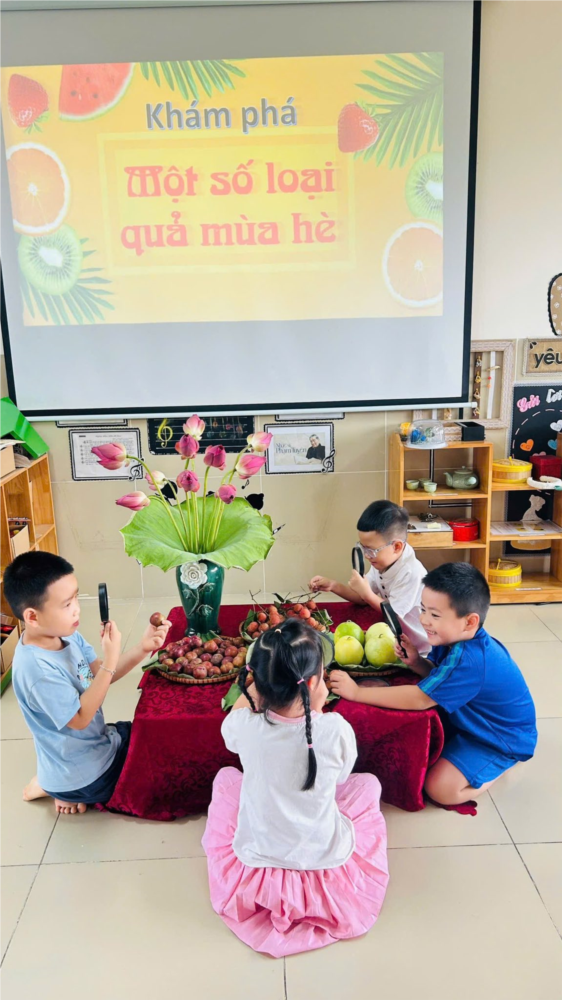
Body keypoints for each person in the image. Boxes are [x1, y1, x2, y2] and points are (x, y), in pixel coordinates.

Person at [202, 618, 388, 957]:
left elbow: (232, 727)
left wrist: (257, 689)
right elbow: (341, 778)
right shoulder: (335, 729)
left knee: (227, 779)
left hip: (259, 853)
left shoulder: (245, 725)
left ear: (257, 682)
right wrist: (314, 709)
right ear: (314, 681)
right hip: (323, 857)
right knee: (367, 785)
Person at [330, 562, 537, 807]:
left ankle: (502, 765)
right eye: (423, 609)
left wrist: (356, 692)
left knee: (439, 789)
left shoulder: (470, 660)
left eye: (435, 615)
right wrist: (417, 663)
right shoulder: (453, 639)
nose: (424, 620)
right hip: (477, 721)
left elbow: (421, 698)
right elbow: (440, 676)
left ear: (470, 622)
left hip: (501, 738)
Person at [4, 550, 170, 815]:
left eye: (76, 597)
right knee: (159, 773)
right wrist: (110, 659)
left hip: (94, 746)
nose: (77, 609)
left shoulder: (66, 634)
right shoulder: (37, 670)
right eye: (66, 604)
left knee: (150, 732)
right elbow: (80, 718)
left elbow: (99, 676)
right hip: (89, 773)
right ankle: (61, 788)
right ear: (32, 617)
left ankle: (56, 784)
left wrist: (142, 647)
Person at [310, 499, 429, 653]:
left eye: (371, 550)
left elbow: (393, 614)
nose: (366, 555)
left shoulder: (412, 573)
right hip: (393, 638)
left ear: (396, 546)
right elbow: (362, 598)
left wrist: (366, 593)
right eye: (362, 548)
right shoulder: (382, 562)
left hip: (418, 649)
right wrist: (333, 586)